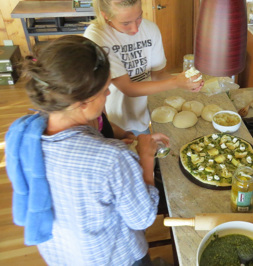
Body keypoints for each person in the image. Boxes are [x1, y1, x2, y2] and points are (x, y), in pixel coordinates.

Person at [6, 36, 168, 265]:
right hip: (116, 257)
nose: (109, 94)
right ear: (82, 102)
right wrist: (146, 157)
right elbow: (142, 218)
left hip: (63, 254)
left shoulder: (23, 133)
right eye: (104, 90)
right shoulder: (111, 158)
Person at [84, 0, 203, 136]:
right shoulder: (97, 36)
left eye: (139, 17)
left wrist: (186, 82)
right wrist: (176, 82)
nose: (135, 29)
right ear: (106, 15)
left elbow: (158, 74)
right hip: (115, 121)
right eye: (126, 23)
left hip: (143, 115)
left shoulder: (151, 29)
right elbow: (128, 88)